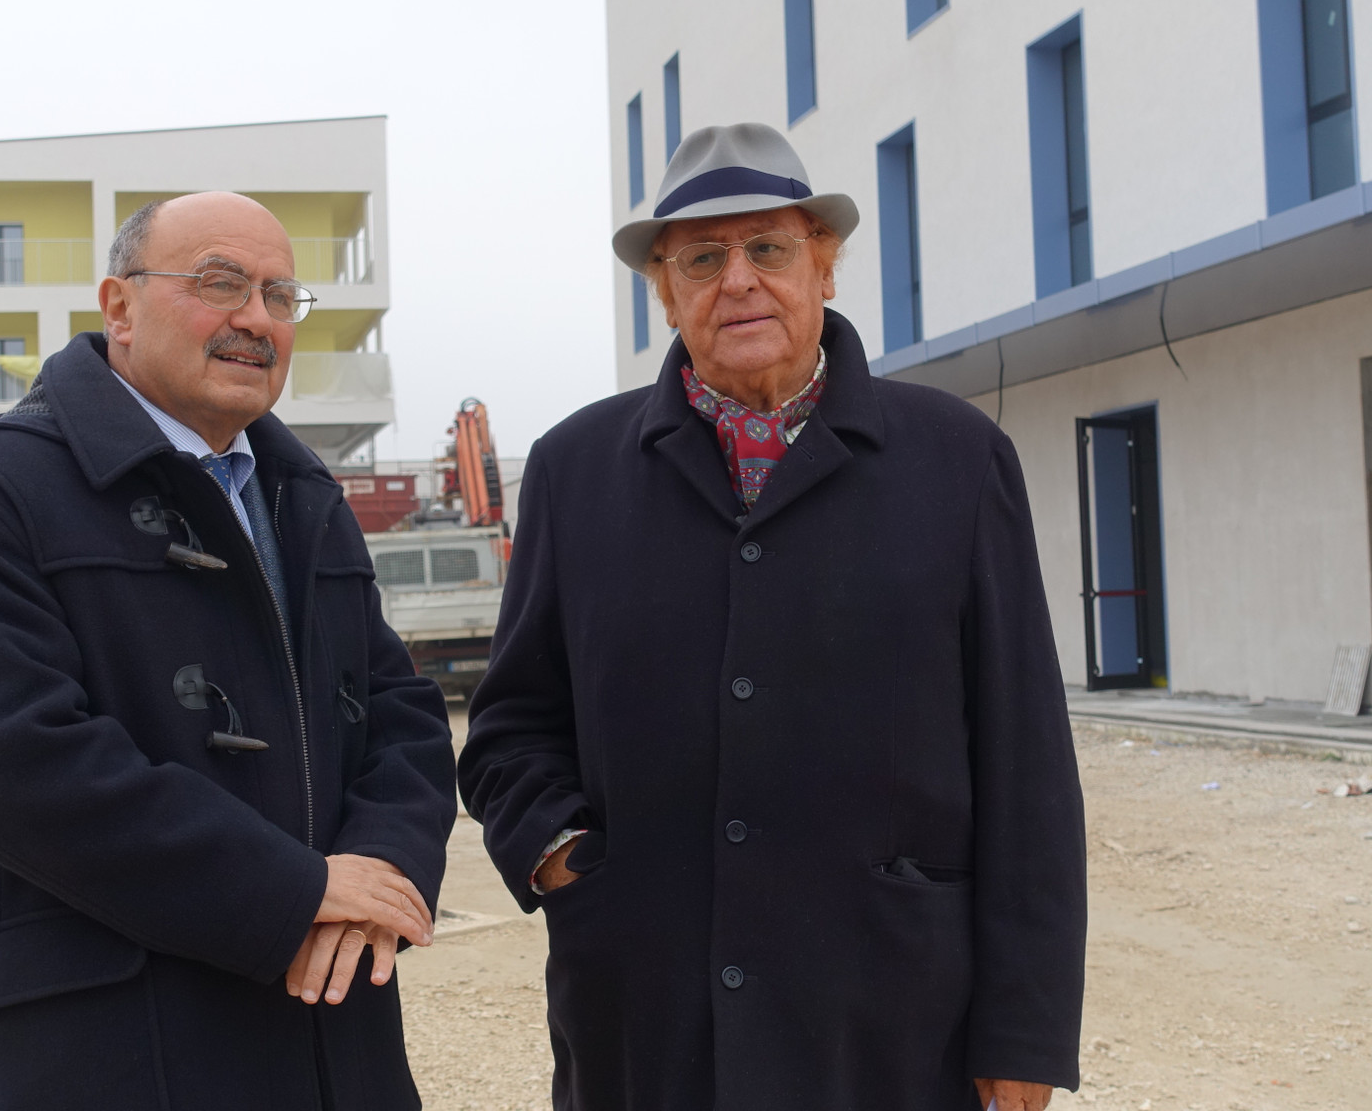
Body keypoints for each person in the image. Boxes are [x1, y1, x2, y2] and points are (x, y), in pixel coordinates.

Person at [459, 124, 1086, 1110]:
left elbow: (1026, 763)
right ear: (665, 292)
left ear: (824, 267)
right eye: (703, 258)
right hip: (647, 1013)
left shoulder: (957, 460)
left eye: (769, 248)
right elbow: (509, 727)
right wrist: (564, 857)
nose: (738, 279)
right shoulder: (574, 471)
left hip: (892, 1016)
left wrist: (1026, 1027)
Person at [0, 192, 456, 1110]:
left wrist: (384, 872)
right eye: (220, 283)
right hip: (103, 1041)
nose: (254, 318)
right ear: (118, 308)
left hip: (327, 1032)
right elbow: (18, 763)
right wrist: (296, 891)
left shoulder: (302, 496)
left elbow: (399, 712)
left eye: (280, 296)